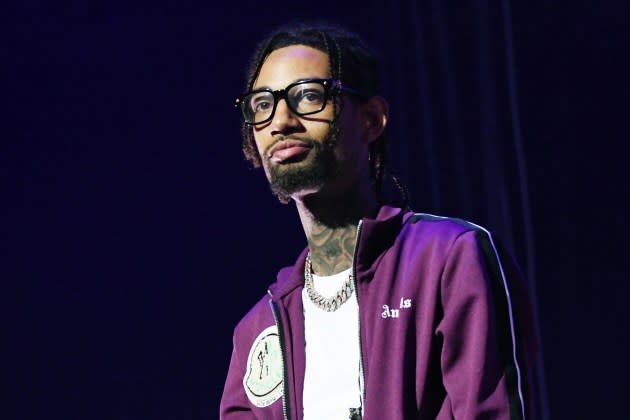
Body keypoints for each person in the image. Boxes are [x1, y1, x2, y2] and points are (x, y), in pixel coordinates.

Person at [220, 23, 539, 420]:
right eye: (263, 104)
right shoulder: (257, 330)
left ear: (371, 119)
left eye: (308, 96)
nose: (281, 121)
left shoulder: (447, 259)